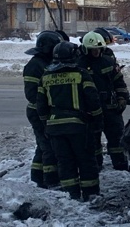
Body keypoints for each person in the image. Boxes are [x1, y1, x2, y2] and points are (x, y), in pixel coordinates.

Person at [37, 41, 103, 201]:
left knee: (65, 162)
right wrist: (97, 121)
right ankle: (90, 194)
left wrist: (47, 123)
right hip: (78, 128)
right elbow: (93, 100)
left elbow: (41, 106)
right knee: (86, 160)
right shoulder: (80, 74)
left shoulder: (45, 77)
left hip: (55, 129)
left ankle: (71, 194)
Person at [82, 29, 130, 171]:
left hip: (111, 108)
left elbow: (119, 82)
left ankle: (121, 164)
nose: (96, 53)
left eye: (99, 49)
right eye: (93, 50)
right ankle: (96, 165)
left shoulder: (108, 62)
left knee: (117, 137)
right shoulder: (79, 65)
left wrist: (122, 98)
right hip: (90, 110)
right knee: (93, 140)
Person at [22, 30, 64, 188]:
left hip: (45, 112)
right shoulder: (35, 65)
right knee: (48, 147)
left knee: (43, 146)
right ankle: (50, 180)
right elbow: (31, 94)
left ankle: (38, 176)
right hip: (38, 113)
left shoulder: (46, 63)